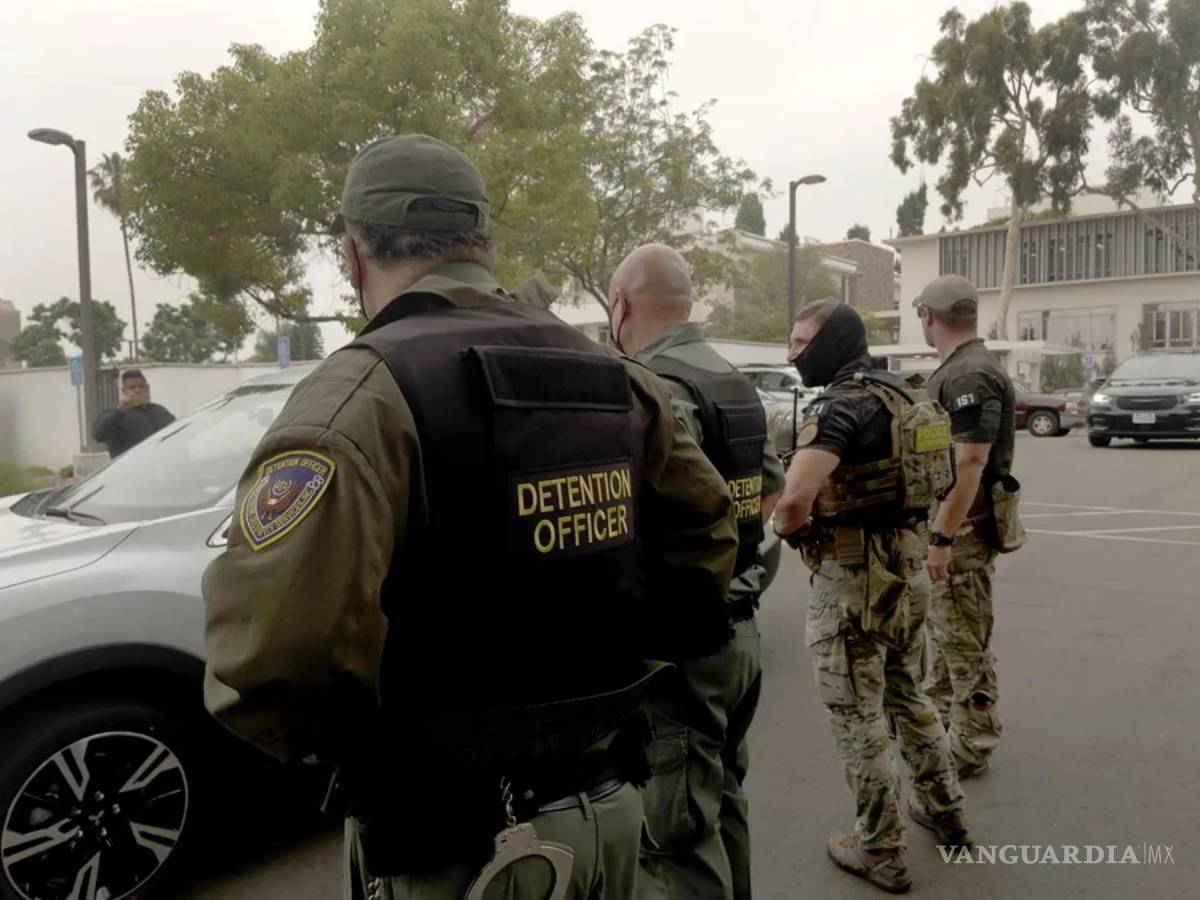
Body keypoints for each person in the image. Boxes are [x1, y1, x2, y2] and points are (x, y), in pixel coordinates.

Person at [201, 134, 740, 900]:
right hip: (613, 811)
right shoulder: (617, 378)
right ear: (480, 242)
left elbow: (278, 656)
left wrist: (372, 751)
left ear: (353, 255)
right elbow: (708, 535)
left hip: (456, 845)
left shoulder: (362, 394)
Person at [607, 243, 785, 900]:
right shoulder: (732, 381)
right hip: (740, 637)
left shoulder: (654, 387)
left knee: (676, 836)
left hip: (685, 650)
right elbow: (769, 492)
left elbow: (645, 517)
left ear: (620, 305)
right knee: (724, 799)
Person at [774, 299, 968, 894]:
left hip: (855, 580)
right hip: (908, 568)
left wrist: (790, 530)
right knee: (908, 693)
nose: (791, 353)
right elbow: (947, 475)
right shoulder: (912, 396)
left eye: (801, 341)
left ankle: (879, 847)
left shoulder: (841, 405)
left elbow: (793, 500)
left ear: (830, 343)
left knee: (857, 713)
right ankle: (945, 811)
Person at [914, 274, 1022, 780]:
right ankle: (940, 728)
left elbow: (971, 462)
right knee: (947, 636)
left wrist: (940, 539)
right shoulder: (964, 367)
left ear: (929, 317)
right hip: (958, 528)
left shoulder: (968, 375)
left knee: (964, 643)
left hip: (962, 533)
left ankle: (973, 742)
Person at [91, 369, 175, 458]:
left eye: (141, 386)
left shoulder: (160, 411)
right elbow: (98, 434)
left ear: (147, 388)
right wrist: (120, 409)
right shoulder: (115, 415)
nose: (137, 390)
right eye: (132, 387)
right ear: (124, 391)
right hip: (129, 468)